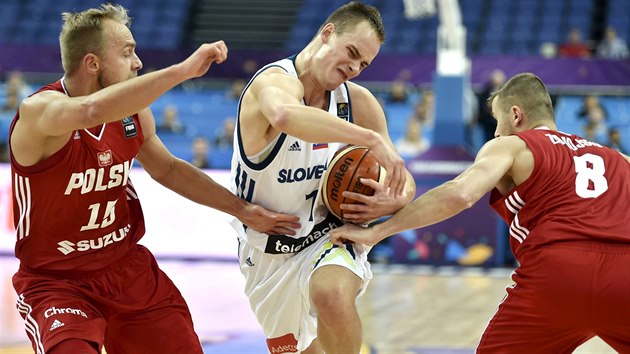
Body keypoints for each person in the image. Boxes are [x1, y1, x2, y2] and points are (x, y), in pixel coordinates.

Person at [8, 4, 300, 354]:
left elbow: (169, 169)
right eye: (128, 52)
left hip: (126, 269)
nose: (138, 63)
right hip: (57, 282)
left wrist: (243, 210)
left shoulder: (133, 113)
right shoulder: (40, 112)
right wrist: (182, 71)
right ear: (92, 64)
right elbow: (90, 110)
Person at [330, 72, 630, 353]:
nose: (497, 131)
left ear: (516, 115)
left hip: (557, 272)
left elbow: (460, 194)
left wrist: (377, 232)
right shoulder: (618, 158)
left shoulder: (512, 145)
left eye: (497, 121)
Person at [230, 2, 416, 353]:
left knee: (331, 294)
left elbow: (401, 177)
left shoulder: (358, 103)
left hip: (328, 236)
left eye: (364, 64)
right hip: (265, 253)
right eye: (351, 52)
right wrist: (369, 138)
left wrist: (397, 197)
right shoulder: (272, 83)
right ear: (327, 33)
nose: (355, 68)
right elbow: (286, 115)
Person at [476, 69, 505, 142]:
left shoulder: (506, 93)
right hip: (488, 123)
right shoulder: (485, 92)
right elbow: (482, 106)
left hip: (501, 122)